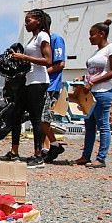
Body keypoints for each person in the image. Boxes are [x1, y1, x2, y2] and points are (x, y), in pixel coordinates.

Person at [2, 9, 53, 168]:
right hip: (28, 81)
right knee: (16, 115)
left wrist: (23, 57)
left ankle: (38, 156)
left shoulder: (43, 36)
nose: (26, 23)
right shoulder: (34, 38)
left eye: (28, 20)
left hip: (38, 81)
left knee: (35, 118)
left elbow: (48, 60)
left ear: (38, 20)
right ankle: (14, 151)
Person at [77, 19, 112, 168]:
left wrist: (93, 82)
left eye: (92, 35)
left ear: (101, 34)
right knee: (89, 126)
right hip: (91, 93)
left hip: (103, 92)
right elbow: (94, 72)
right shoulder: (97, 52)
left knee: (103, 125)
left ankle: (101, 158)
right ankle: (85, 156)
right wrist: (84, 79)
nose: (90, 38)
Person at [42, 25, 67, 163]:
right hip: (41, 85)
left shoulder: (56, 39)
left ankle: (55, 144)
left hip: (51, 85)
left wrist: (42, 73)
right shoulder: (39, 40)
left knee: (43, 119)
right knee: (41, 120)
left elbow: (60, 64)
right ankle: (46, 148)